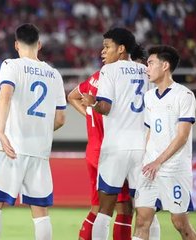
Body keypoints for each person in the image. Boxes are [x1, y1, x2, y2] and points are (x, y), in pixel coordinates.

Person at [0, 23, 66, 240]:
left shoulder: (11, 65)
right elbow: (60, 119)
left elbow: (5, 96)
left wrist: (0, 131)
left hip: (12, 146)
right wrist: (41, 130)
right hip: (40, 150)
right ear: (39, 44)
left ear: (17, 45)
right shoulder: (54, 74)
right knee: (40, 210)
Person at [68, 44, 159, 240]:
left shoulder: (96, 77)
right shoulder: (120, 82)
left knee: (98, 206)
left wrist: (89, 115)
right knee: (125, 207)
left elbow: (72, 96)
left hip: (94, 149)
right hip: (112, 150)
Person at [133, 45, 196, 240]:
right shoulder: (149, 96)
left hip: (174, 169)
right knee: (142, 221)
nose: (147, 67)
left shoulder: (184, 95)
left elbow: (182, 136)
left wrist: (158, 161)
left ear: (165, 66)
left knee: (180, 224)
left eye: (151, 63)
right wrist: (143, 160)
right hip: (150, 169)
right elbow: (150, 132)